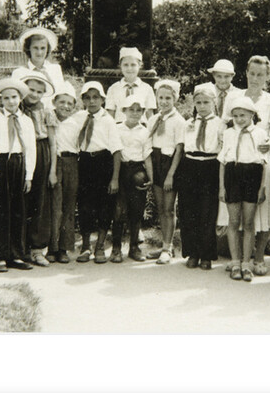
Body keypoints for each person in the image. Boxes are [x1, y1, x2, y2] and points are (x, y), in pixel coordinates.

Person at [222, 55, 270, 274]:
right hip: (237, 162)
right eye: (252, 73)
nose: (255, 78)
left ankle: (258, 258)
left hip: (260, 162)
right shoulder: (235, 96)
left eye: (261, 74)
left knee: (261, 212)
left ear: (268, 77)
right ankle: (238, 259)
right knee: (238, 216)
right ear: (246, 73)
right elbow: (227, 126)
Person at [0, 77, 36, 273]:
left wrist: (28, 175)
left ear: (20, 98)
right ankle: (0, 256)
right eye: (6, 98)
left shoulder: (26, 121)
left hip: (19, 165)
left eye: (14, 97)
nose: (11, 101)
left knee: (19, 211)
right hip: (2, 165)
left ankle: (16, 254)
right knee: (1, 212)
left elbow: (31, 150)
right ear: (1, 100)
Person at [218, 96, 268, 282]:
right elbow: (223, 161)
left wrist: (262, 187)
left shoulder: (261, 134)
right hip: (232, 174)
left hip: (252, 175)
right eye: (236, 116)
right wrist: (222, 187)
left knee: (248, 223)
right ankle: (235, 262)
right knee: (233, 221)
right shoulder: (229, 133)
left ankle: (247, 263)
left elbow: (264, 162)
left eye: (243, 115)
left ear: (252, 115)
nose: (239, 119)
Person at [12, 68, 57, 267]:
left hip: (42, 150)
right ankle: (19, 248)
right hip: (21, 152)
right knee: (21, 199)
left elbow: (53, 142)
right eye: (31, 89)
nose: (35, 94)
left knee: (40, 199)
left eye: (39, 91)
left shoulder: (46, 111)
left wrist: (53, 169)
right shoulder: (16, 108)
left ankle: (38, 248)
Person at [73, 81, 122, 264]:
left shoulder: (108, 120)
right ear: (83, 100)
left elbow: (117, 150)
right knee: (85, 205)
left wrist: (115, 178)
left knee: (104, 206)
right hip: (85, 163)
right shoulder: (79, 117)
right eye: (87, 98)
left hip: (103, 163)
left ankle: (100, 246)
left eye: (96, 97)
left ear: (103, 99)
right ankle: (85, 246)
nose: (92, 101)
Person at [179, 83, 226, 270]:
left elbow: (223, 148)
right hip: (190, 165)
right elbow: (183, 148)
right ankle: (192, 253)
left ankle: (206, 255)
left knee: (207, 211)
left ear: (214, 102)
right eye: (198, 102)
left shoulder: (221, 124)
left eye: (206, 102)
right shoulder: (188, 123)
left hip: (210, 165)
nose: (202, 106)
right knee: (189, 211)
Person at [146, 79, 186, 264]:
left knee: (169, 209)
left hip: (170, 164)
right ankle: (164, 245)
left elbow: (179, 149)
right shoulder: (153, 119)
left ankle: (167, 248)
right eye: (160, 97)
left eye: (168, 98)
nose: (163, 101)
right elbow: (148, 142)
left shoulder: (179, 121)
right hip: (156, 162)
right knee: (160, 208)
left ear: (175, 98)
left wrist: (171, 174)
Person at [112, 93, 154, 263]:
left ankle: (134, 247)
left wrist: (150, 178)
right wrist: (113, 178)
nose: (135, 113)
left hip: (137, 171)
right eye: (131, 109)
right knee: (118, 210)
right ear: (124, 111)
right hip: (120, 170)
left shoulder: (144, 132)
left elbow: (147, 157)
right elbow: (114, 153)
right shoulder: (116, 129)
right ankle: (116, 248)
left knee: (136, 211)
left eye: (139, 110)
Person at [50, 81, 80, 264]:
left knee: (69, 206)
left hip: (72, 164)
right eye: (62, 102)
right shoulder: (49, 120)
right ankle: (51, 247)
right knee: (55, 207)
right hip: (56, 163)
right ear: (54, 102)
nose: (65, 106)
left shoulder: (75, 124)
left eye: (70, 103)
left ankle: (64, 248)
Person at [105, 47, 156, 123]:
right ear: (120, 66)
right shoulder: (113, 89)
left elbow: (150, 116)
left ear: (140, 65)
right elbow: (110, 116)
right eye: (125, 65)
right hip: (119, 129)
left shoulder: (147, 89)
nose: (129, 68)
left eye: (133, 65)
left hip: (141, 129)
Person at [19, 26, 64, 103]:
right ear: (28, 48)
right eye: (35, 48)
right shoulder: (20, 72)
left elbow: (61, 96)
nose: (39, 52)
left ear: (48, 49)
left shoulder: (55, 69)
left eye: (43, 48)